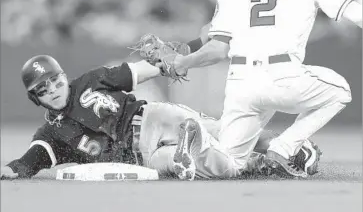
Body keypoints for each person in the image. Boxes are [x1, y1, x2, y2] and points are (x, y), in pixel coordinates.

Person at [162, 0, 362, 178]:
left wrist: (184, 61)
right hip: (282, 76)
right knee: (340, 91)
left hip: (240, 82)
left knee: (228, 165)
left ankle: (196, 135)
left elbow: (217, 49)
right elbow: (355, 14)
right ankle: (284, 146)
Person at [0, 54, 310, 181]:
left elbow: (137, 71)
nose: (53, 89)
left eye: (55, 81)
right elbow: (34, 158)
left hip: (151, 118)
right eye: (43, 89)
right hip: (144, 159)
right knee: (187, 164)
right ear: (35, 97)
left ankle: (289, 147)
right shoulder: (51, 133)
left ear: (63, 77)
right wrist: (14, 169)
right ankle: (250, 159)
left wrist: (168, 61)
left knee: (226, 132)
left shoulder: (91, 80)